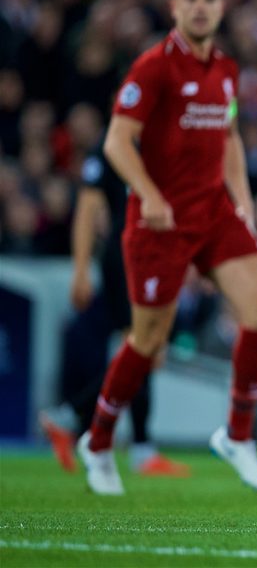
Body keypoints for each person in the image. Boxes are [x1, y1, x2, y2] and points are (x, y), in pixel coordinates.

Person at [76, 0, 257, 495]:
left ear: (222, 6)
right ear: (173, 6)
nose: (201, 7)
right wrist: (151, 195)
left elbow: (229, 135)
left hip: (212, 213)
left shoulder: (227, 69)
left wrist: (244, 202)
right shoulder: (152, 68)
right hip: (158, 223)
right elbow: (117, 144)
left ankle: (238, 436)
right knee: (148, 341)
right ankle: (97, 441)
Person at [39, 139, 190, 477]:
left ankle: (74, 418)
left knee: (143, 350)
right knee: (143, 347)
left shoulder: (164, 139)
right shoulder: (111, 146)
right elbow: (88, 209)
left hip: (152, 254)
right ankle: (134, 445)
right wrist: (80, 268)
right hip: (126, 256)